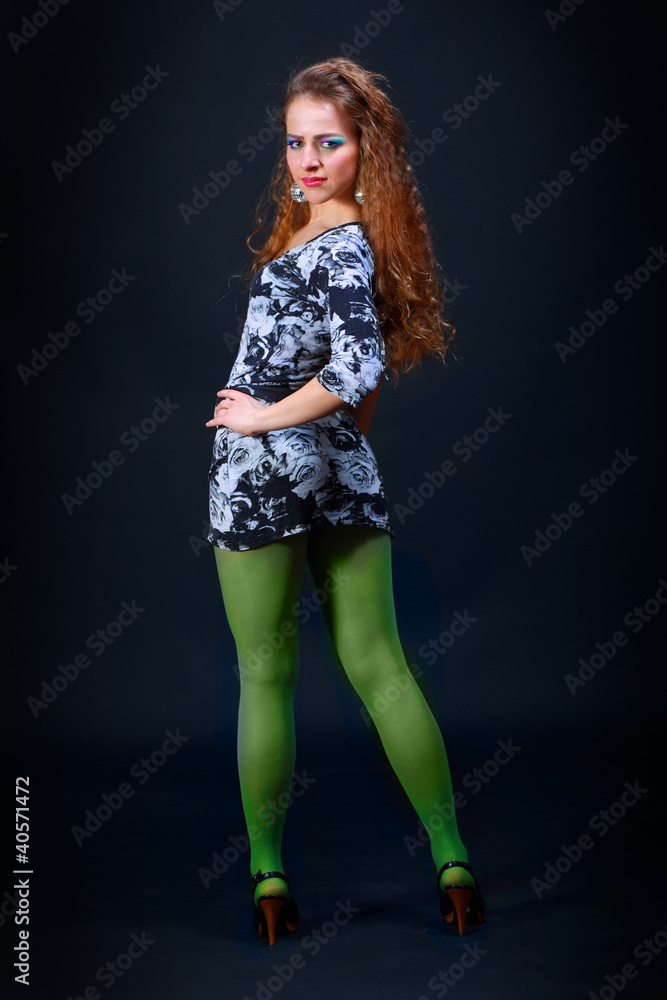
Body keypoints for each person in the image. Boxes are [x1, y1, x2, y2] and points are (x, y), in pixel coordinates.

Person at [204, 56, 485, 945]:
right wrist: (332, 437)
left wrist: (257, 419)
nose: (308, 160)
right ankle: (452, 864)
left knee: (266, 676)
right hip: (339, 468)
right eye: (295, 143)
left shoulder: (339, 243)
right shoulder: (347, 236)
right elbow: (361, 385)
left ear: (367, 148)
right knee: (382, 668)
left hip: (259, 474)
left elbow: (355, 366)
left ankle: (268, 878)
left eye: (328, 142)